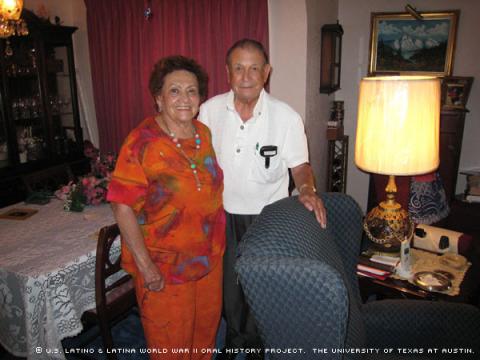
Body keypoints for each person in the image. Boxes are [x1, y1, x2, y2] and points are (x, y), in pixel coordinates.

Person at [199, 39, 327, 358]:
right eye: (238, 68)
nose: (246, 76)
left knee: (261, 283)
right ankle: (235, 340)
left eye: (254, 68)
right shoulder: (209, 110)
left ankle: (258, 344)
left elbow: (300, 166)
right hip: (223, 213)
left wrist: (308, 190)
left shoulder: (286, 117)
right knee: (230, 285)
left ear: (266, 72)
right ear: (227, 72)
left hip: (267, 215)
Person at [107, 56, 225, 359]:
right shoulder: (141, 142)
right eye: (175, 91)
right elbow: (122, 207)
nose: (184, 98)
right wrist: (146, 267)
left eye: (192, 91)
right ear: (158, 98)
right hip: (163, 268)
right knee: (170, 346)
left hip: (208, 260)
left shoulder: (203, 133)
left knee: (204, 338)